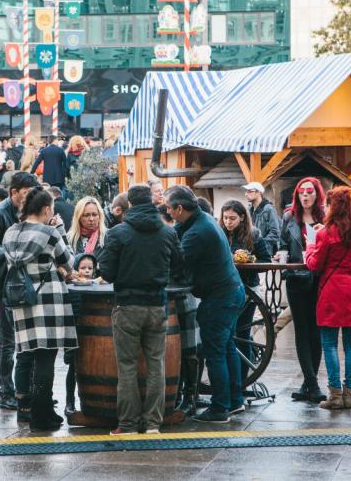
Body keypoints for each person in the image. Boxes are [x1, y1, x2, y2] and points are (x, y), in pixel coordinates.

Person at [99, 184, 183, 435]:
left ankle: (127, 424)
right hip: (157, 305)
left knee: (127, 366)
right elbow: (179, 264)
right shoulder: (168, 233)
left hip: (127, 305)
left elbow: (106, 272)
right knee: (156, 364)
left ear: (131, 205)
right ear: (152, 202)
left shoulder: (117, 234)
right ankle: (153, 424)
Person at [165, 185, 245, 423]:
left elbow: (176, 262)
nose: (168, 213)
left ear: (180, 208)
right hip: (232, 291)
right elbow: (176, 232)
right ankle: (235, 401)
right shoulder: (201, 218)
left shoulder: (199, 232)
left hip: (220, 297)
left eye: (169, 209)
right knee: (227, 347)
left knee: (215, 352)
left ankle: (220, 409)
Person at [2, 186, 76, 430]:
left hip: (23, 300)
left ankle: (35, 410)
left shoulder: (11, 233)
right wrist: (60, 230)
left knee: (28, 355)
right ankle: (41, 416)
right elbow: (69, 261)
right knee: (46, 358)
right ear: (46, 209)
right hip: (48, 300)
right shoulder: (49, 232)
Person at [0, 171, 40, 411]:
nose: (28, 199)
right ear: (13, 192)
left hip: (27, 280)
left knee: (27, 337)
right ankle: (6, 391)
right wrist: (15, 250)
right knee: (7, 339)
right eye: (25, 195)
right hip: (4, 282)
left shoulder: (28, 212)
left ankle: (25, 389)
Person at [304, 187, 351, 410]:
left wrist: (310, 247)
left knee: (329, 343)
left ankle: (335, 395)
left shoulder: (324, 234)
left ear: (332, 207)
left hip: (333, 290)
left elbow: (315, 264)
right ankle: (349, 394)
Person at [279, 177, 327, 403]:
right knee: (301, 331)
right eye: (301, 192)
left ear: (317, 194)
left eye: (309, 192)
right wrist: (281, 257)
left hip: (319, 280)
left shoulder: (325, 217)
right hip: (296, 279)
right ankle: (311, 383)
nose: (305, 195)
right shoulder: (289, 217)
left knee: (315, 331)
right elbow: (282, 244)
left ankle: (309, 382)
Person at [220, 199, 271, 386]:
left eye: (232, 218)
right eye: (225, 218)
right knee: (227, 335)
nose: (228, 222)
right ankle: (229, 380)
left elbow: (266, 262)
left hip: (248, 290)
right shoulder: (220, 234)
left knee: (242, 334)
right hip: (225, 290)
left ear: (242, 217)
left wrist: (249, 262)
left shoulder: (254, 235)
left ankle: (241, 381)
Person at [243, 181, 281, 253]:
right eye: (246, 191)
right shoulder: (249, 210)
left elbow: (275, 233)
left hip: (265, 252)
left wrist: (261, 244)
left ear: (259, 193)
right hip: (250, 252)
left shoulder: (269, 209)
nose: (246, 194)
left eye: (250, 191)